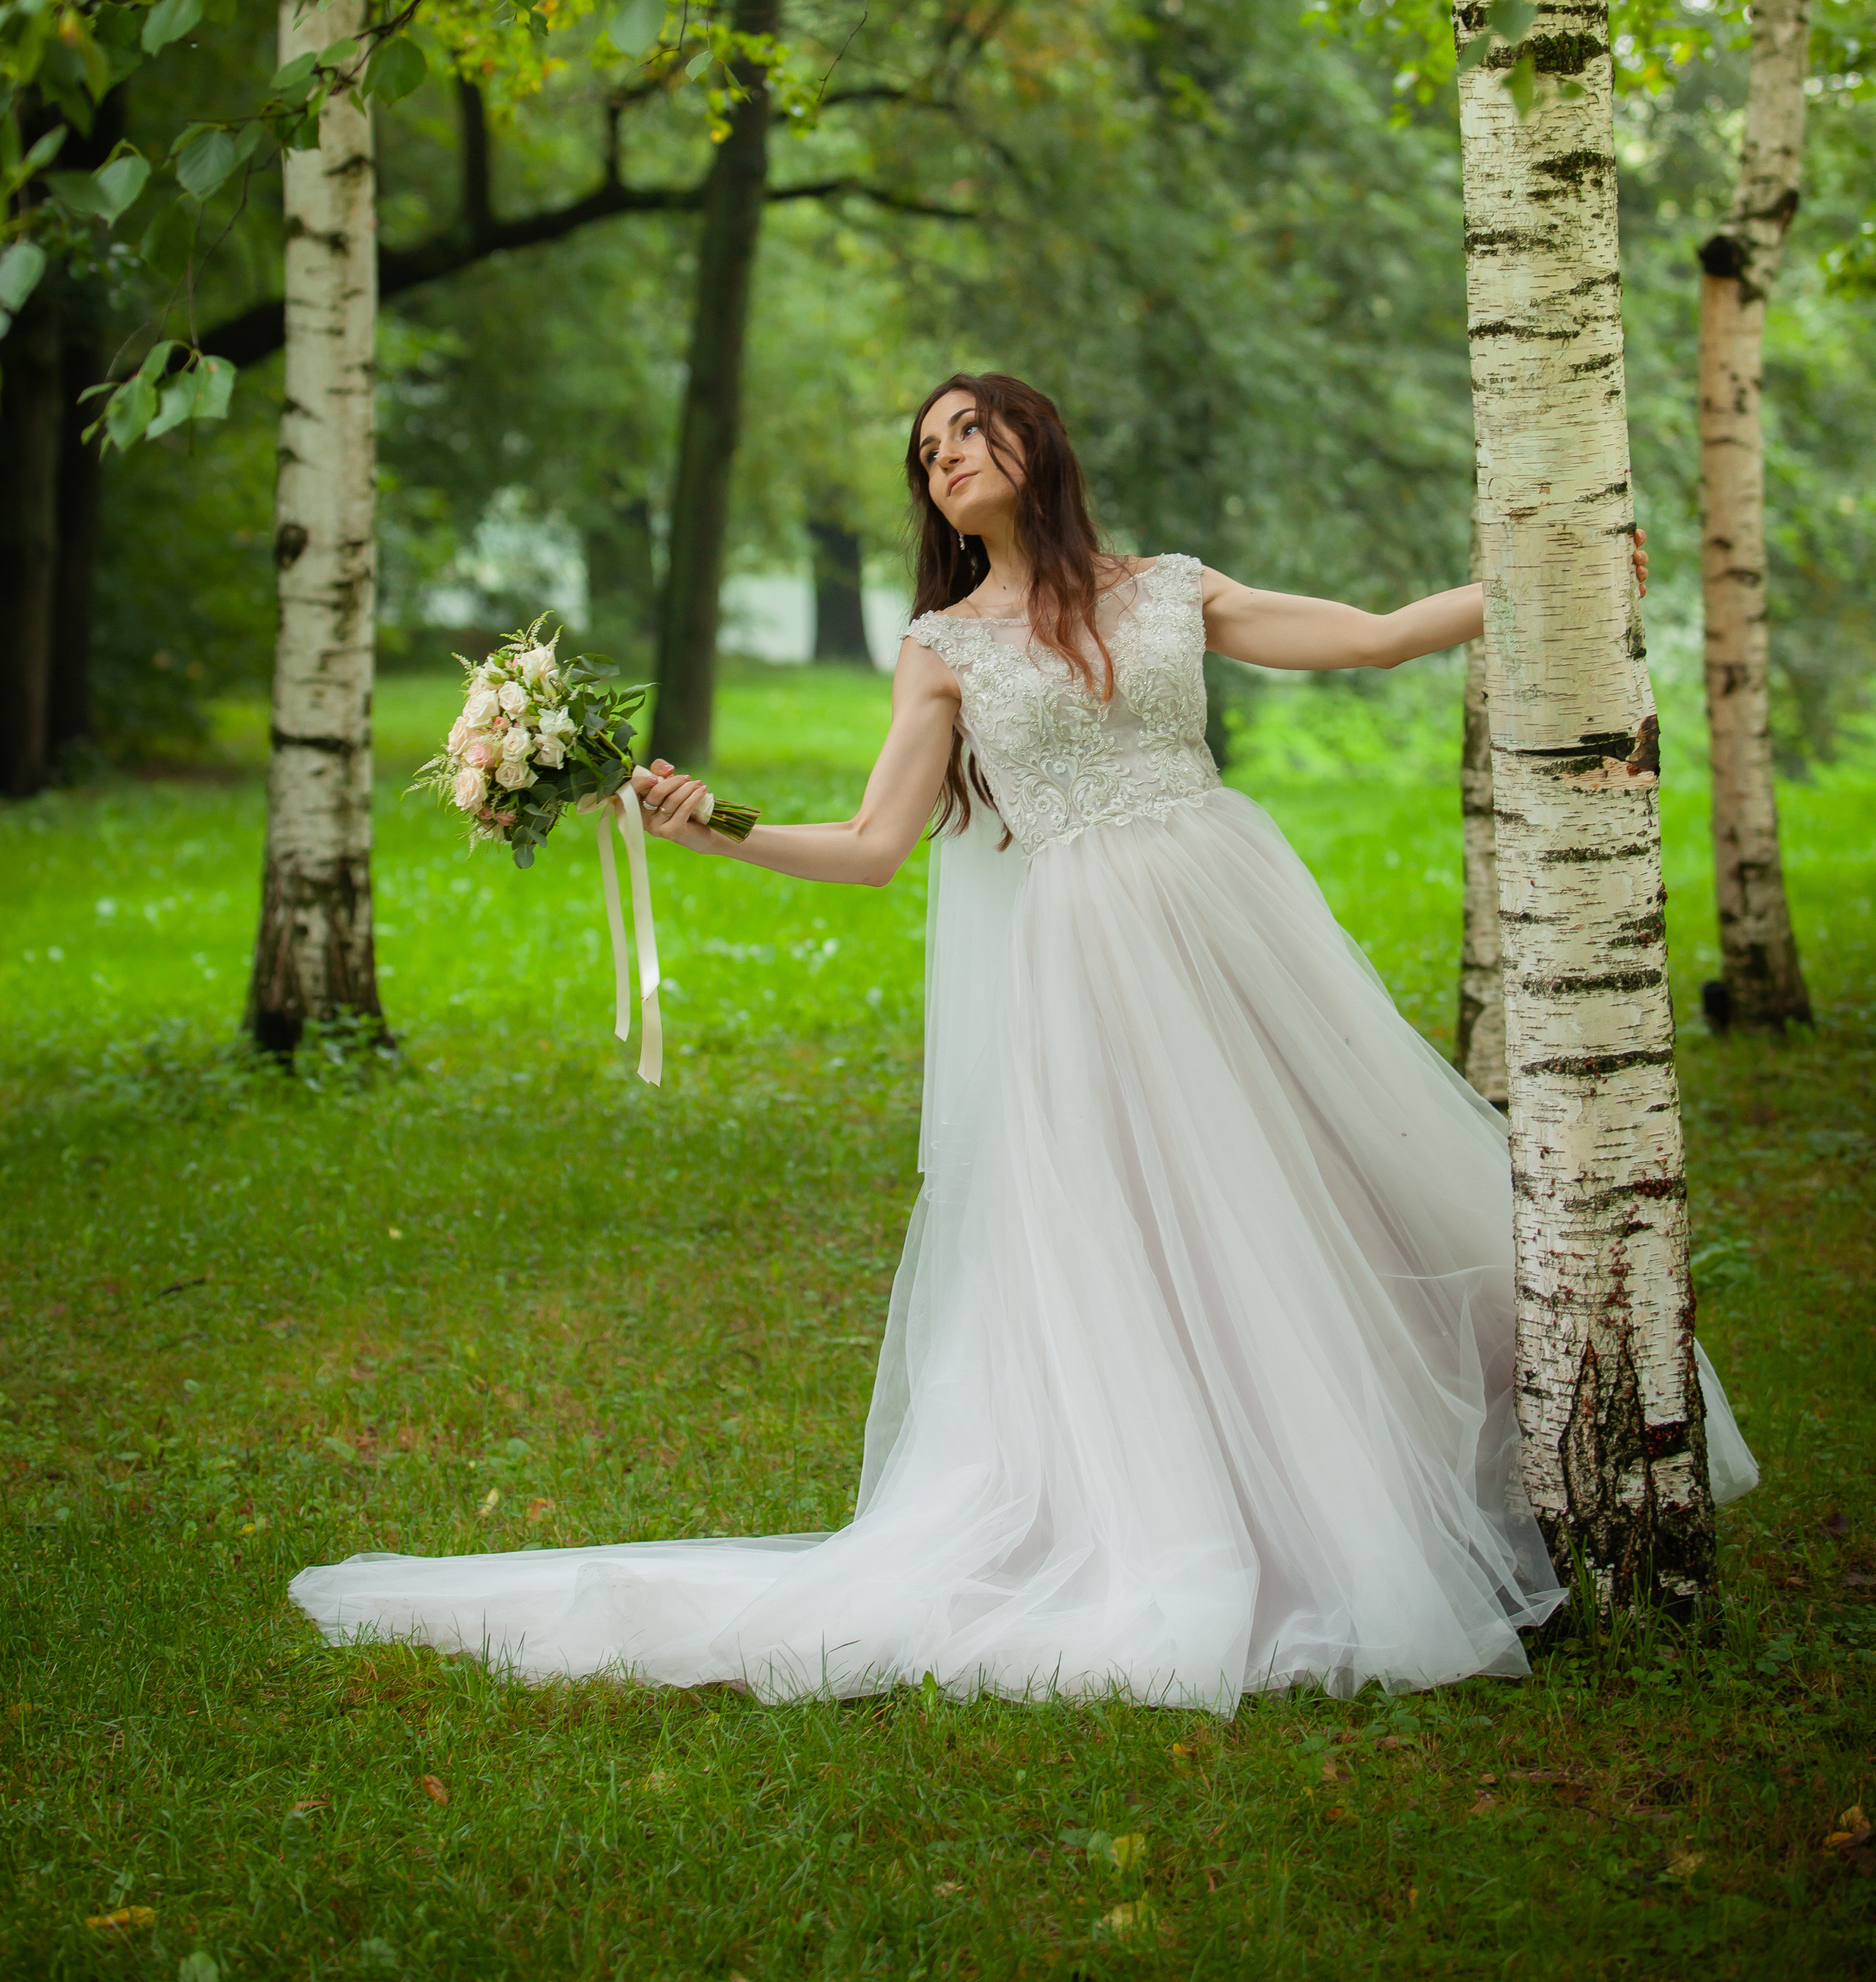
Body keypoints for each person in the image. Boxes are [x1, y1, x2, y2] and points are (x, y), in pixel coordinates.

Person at [292, 372, 1755, 1703]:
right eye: (926, 453)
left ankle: (1478, 1469)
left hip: (1230, 919)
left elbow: (1367, 642)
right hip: (1090, 965)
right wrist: (706, 822)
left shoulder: (1166, 588)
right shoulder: (942, 651)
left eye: (967, 430)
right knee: (1163, 1226)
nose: (945, 458)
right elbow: (872, 845)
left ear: (1035, 443)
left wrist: (1536, 585)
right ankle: (1220, 1511)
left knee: (1332, 1176)